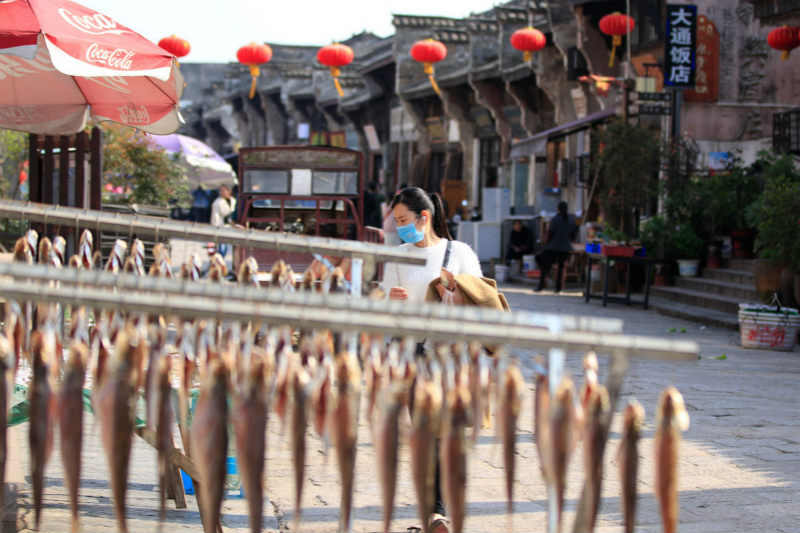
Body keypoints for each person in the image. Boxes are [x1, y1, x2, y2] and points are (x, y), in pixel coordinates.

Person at [382, 186, 482, 533]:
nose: (400, 227)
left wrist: (453, 295)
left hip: (449, 356)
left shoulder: (461, 254)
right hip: (412, 355)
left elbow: (480, 306)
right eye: (396, 222)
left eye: (404, 220)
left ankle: (439, 510)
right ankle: (434, 513)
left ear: (425, 217)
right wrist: (390, 302)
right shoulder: (398, 256)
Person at [535, 201, 577, 293]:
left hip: (552, 247)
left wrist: (546, 244)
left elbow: (549, 233)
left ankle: (541, 286)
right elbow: (573, 235)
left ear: (558, 209)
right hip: (565, 248)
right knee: (561, 268)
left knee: (546, 267)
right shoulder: (571, 221)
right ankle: (558, 288)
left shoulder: (555, 220)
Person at [210, 184, 236, 259]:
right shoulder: (217, 203)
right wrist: (216, 229)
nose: (222, 192)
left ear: (229, 191)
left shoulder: (233, 201)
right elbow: (215, 217)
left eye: (224, 190)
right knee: (222, 249)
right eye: (221, 190)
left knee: (232, 250)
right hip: (222, 227)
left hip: (233, 227)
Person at [381, 182, 407, 246]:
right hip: (394, 228)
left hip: (386, 227)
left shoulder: (383, 205)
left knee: (387, 245)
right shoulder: (396, 205)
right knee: (396, 246)